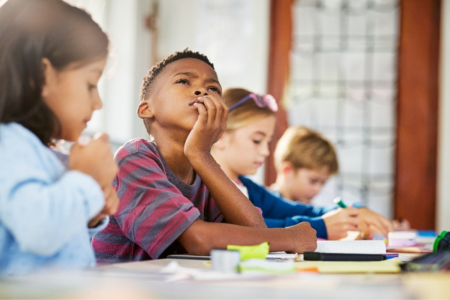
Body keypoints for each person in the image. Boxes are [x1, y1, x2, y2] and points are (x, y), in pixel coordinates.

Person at [92, 49, 317, 263]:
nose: (202, 92)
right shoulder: (134, 158)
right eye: (183, 81)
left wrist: (201, 156)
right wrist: (290, 238)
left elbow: (255, 233)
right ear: (146, 109)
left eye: (213, 89)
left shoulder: (204, 172)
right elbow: (198, 239)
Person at [0, 0, 119, 276]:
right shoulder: (8, 144)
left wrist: (90, 214)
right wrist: (86, 181)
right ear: (43, 76)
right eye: (90, 84)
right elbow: (37, 230)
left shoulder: (37, 150)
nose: (98, 102)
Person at [211, 88, 395, 240]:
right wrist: (320, 227)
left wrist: (356, 210)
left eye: (268, 142)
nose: (266, 151)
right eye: (257, 140)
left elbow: (306, 210)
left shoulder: (250, 189)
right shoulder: (207, 188)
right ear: (220, 136)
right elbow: (250, 227)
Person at [271, 125, 410, 231]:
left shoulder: (310, 209)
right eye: (313, 181)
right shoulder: (265, 207)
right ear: (287, 170)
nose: (318, 189)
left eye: (323, 183)